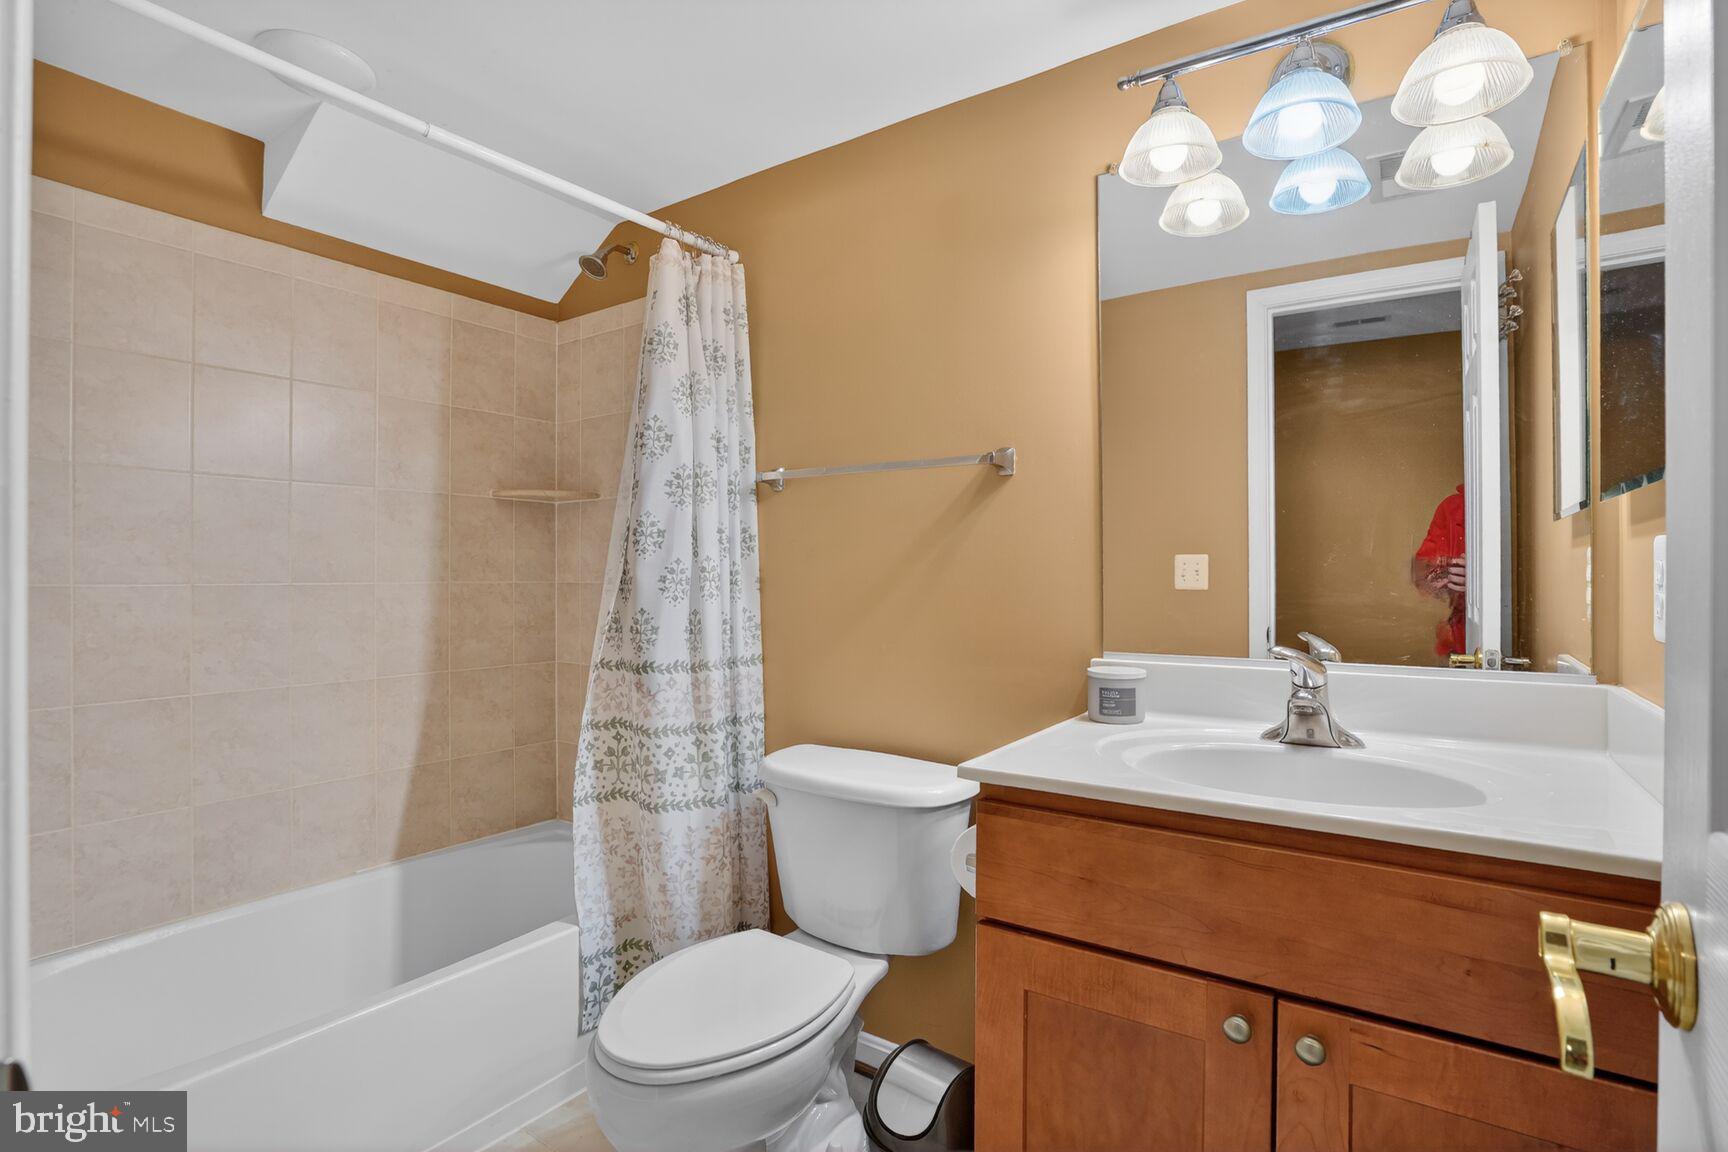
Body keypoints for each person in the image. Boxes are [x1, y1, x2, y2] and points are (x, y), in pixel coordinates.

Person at [1412, 484, 1467, 661]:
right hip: (1456, 644)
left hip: (1496, 639)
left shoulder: (1507, 509)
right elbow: (1424, 578)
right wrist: (1451, 574)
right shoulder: (1454, 508)